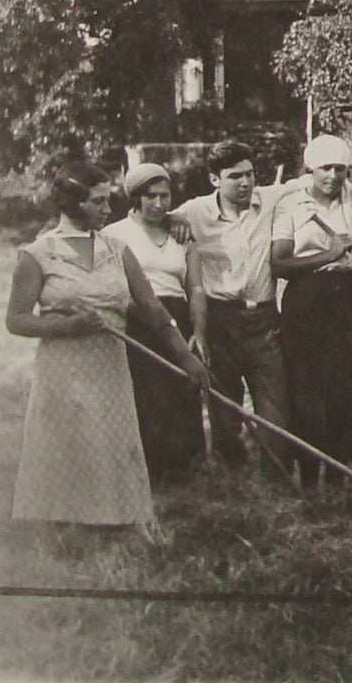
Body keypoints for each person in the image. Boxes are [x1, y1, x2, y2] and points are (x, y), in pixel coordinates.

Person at [170, 139, 352, 474]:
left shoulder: (271, 198)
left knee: (277, 411)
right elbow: (157, 214)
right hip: (220, 320)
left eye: (249, 174)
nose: (245, 182)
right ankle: (232, 483)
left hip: (263, 318)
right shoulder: (195, 212)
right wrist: (172, 219)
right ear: (215, 179)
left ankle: (278, 480)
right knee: (225, 410)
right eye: (235, 176)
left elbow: (325, 177)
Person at [5, 162, 210, 526]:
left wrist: (186, 359)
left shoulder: (117, 249)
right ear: (72, 205)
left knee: (110, 440)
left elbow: (153, 309)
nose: (107, 209)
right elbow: (17, 320)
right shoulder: (38, 254)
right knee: (67, 441)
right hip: (62, 368)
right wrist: (69, 326)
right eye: (98, 201)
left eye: (107, 199)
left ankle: (111, 522)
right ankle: (61, 525)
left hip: (111, 367)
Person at [270, 135, 352, 489]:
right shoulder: (292, 204)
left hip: (349, 299)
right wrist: (328, 255)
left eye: (340, 169)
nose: (332, 176)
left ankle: (341, 474)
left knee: (347, 384)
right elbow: (279, 263)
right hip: (306, 299)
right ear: (310, 169)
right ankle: (310, 473)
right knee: (309, 387)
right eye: (325, 168)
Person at [103, 163, 209, 484]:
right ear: (136, 198)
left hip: (179, 316)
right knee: (147, 393)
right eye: (151, 197)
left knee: (182, 387)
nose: (160, 204)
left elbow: (196, 288)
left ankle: (185, 469)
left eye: (166, 196)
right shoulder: (115, 234)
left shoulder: (182, 234)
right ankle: (148, 472)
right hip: (138, 317)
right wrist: (149, 317)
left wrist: (200, 332)